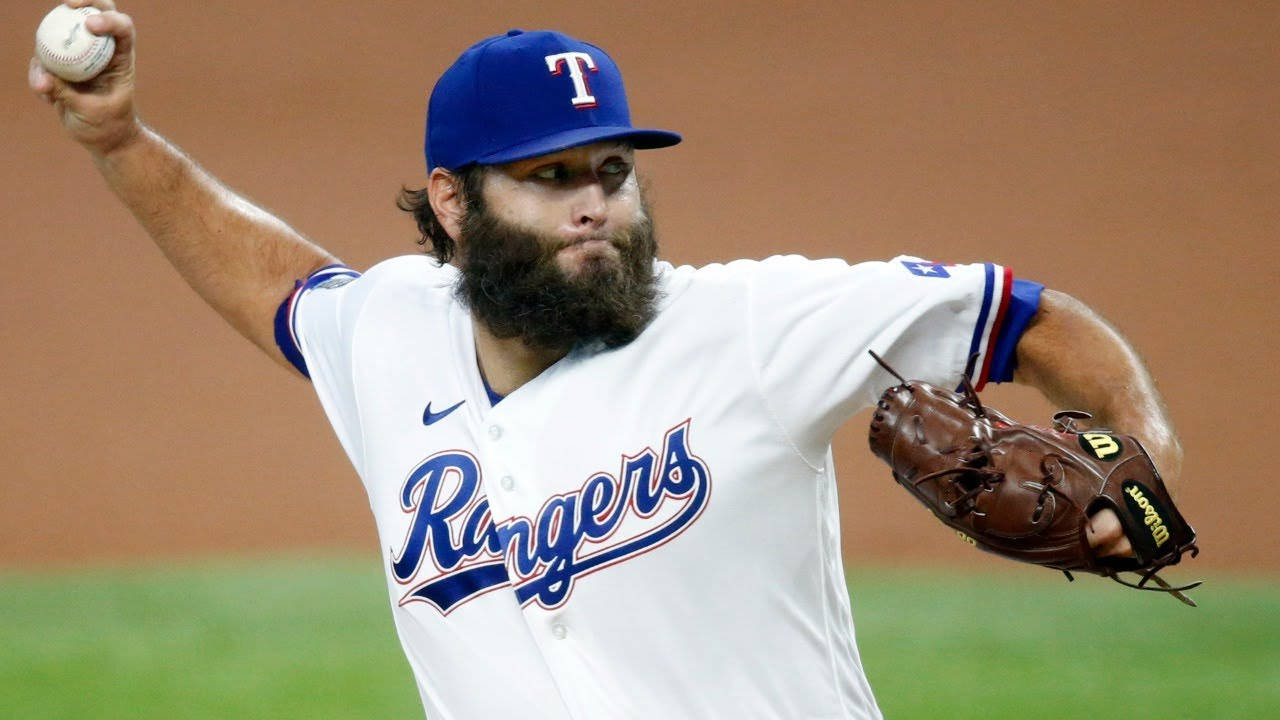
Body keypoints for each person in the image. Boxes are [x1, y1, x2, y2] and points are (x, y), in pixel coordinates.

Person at [31, 3, 1181, 718]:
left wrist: (1131, 453)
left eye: (608, 172)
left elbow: (1032, 317)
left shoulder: (754, 326)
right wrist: (120, 141)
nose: (592, 205)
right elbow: (276, 286)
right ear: (451, 199)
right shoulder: (390, 333)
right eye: (547, 178)